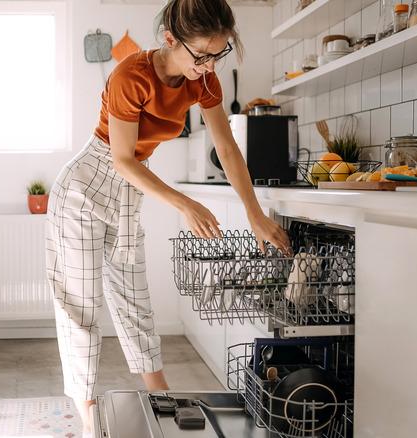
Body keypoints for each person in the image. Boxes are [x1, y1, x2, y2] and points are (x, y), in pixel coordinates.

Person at [45, 0, 291, 433]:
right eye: (200, 55)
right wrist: (184, 202)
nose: (208, 65)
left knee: (135, 301)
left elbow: (229, 149)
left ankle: (162, 401)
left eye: (218, 54)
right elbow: (122, 158)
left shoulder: (203, 80)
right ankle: (87, 421)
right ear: (170, 39)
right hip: (84, 189)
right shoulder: (130, 76)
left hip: (127, 194)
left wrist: (254, 214)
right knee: (80, 310)